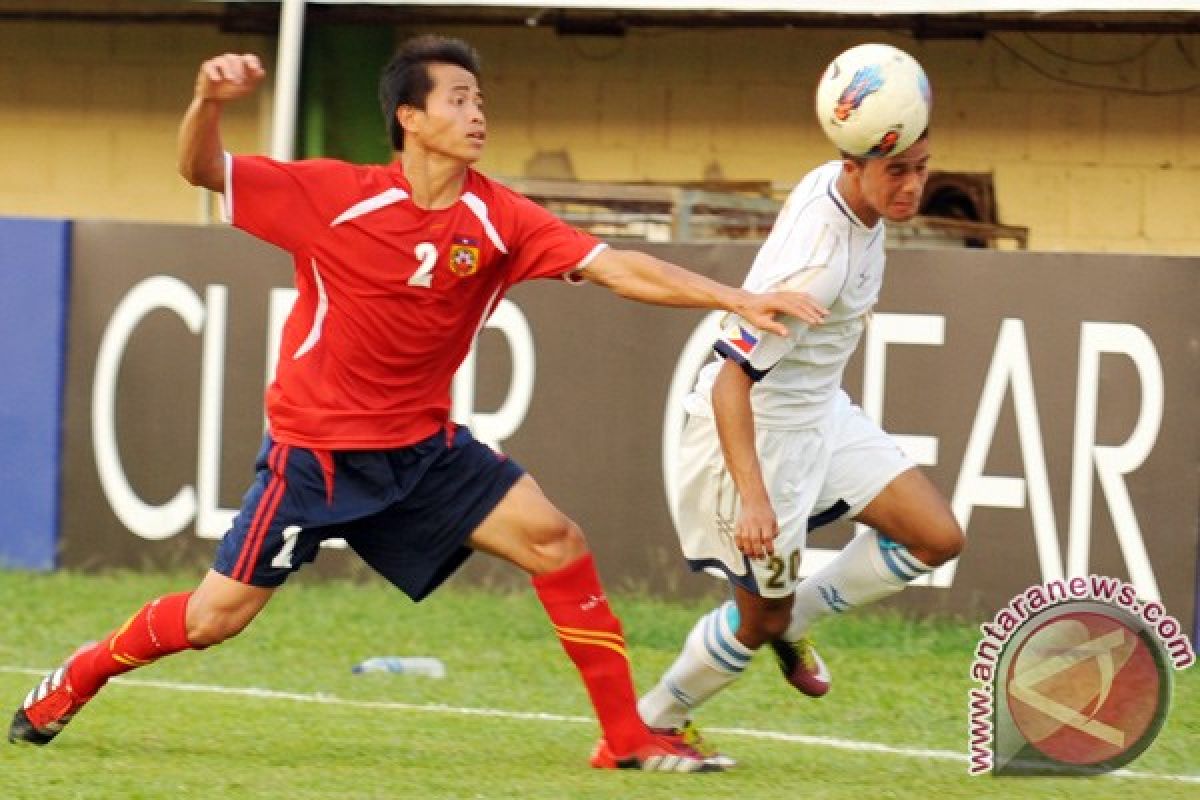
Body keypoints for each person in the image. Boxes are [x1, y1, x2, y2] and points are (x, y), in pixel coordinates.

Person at [7, 36, 826, 773]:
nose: (477, 114)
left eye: (481, 101)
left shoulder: (498, 217)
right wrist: (207, 103)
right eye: (459, 99)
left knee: (556, 540)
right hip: (317, 457)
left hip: (424, 452)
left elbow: (618, 267)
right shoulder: (334, 196)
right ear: (410, 117)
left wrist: (737, 295)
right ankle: (79, 674)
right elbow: (200, 170)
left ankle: (625, 737)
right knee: (217, 617)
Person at [636, 125, 966, 763]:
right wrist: (755, 499)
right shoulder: (820, 267)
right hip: (761, 436)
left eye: (921, 168)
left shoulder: (848, 190)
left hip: (822, 414)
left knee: (937, 536)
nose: (912, 185)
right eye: (896, 170)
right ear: (853, 165)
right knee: (759, 623)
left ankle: (800, 618)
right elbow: (731, 382)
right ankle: (656, 719)